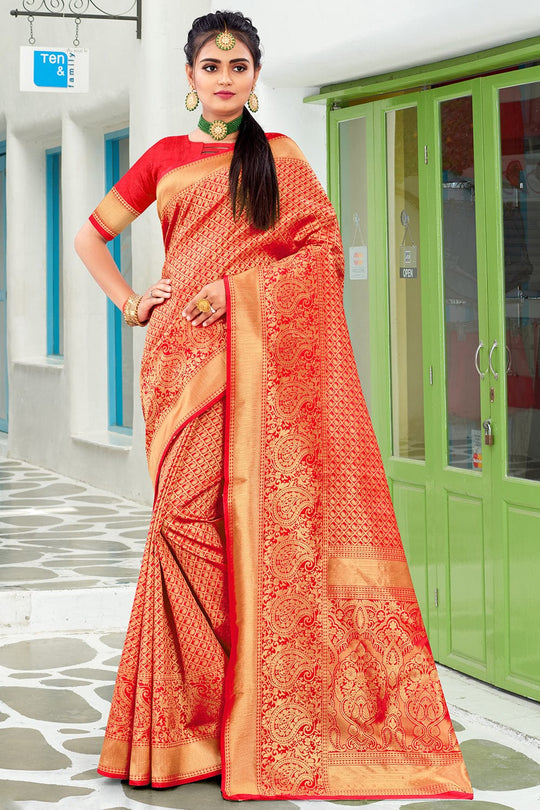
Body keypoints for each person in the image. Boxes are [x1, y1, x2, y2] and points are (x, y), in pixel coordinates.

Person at [75, 10, 473, 802]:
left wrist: (234, 291)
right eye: (211, 66)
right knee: (181, 527)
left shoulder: (281, 161)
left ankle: (245, 715)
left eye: (239, 66)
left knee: (251, 530)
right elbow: (91, 237)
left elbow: (323, 254)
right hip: (177, 371)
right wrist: (130, 301)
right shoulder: (161, 159)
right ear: (188, 78)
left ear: (256, 76)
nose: (225, 79)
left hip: (260, 366)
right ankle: (194, 723)